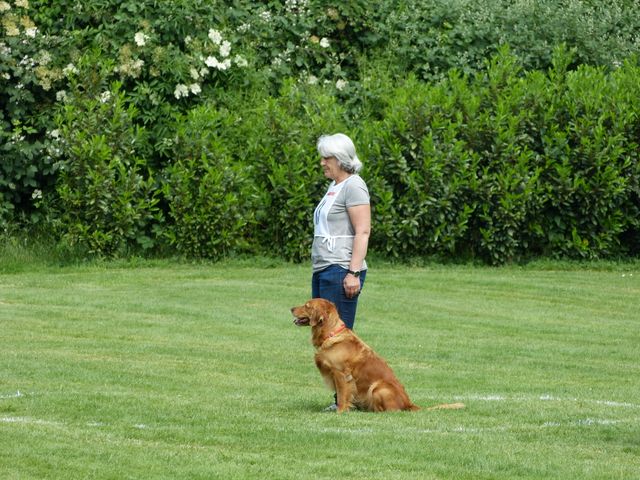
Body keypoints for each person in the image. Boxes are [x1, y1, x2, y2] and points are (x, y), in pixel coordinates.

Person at [311, 133, 371, 412]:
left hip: (340, 269)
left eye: (327, 158)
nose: (322, 162)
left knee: (339, 341)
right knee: (327, 338)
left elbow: (363, 231)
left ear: (341, 159)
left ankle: (345, 402)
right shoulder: (334, 186)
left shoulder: (354, 186)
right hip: (324, 268)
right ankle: (344, 398)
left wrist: (353, 272)